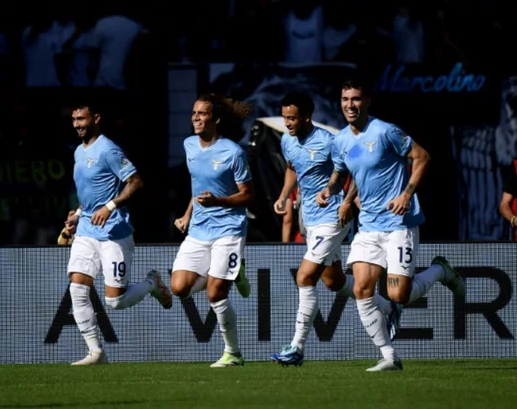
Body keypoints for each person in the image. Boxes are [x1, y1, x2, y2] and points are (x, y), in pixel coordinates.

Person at [317, 79, 466, 372]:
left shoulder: (385, 131)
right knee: (361, 289)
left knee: (399, 295)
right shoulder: (344, 141)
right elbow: (353, 175)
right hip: (368, 226)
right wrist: (335, 194)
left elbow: (422, 157)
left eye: (356, 98)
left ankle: (440, 270)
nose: (350, 104)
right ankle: (388, 356)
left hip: (399, 222)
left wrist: (406, 194)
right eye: (345, 99)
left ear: (367, 101)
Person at [270, 92, 402, 366]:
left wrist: (347, 201)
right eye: (285, 118)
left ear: (307, 116)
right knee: (334, 282)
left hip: (332, 217)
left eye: (292, 118)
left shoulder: (330, 141)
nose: (288, 123)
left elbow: (355, 169)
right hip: (309, 219)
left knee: (305, 277)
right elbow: (292, 168)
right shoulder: (286, 140)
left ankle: (296, 348)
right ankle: (389, 306)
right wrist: (284, 195)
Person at [62, 102, 172, 366]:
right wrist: (77, 215)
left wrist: (110, 206)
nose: (78, 124)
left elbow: (136, 182)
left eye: (82, 119)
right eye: (74, 119)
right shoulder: (78, 151)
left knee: (116, 301)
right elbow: (91, 192)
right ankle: (95, 352)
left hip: (114, 232)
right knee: (77, 287)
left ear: (96, 118)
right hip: (87, 230)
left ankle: (152, 284)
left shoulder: (109, 150)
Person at [169, 94, 254, 368]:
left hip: (229, 228)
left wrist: (218, 201)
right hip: (198, 230)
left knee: (216, 293)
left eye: (202, 113)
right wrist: (186, 214)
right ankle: (232, 270)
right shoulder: (189, 145)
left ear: (215, 119)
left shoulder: (233, 152)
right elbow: (197, 188)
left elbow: (248, 196)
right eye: (194, 113)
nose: (195, 117)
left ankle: (233, 353)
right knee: (179, 288)